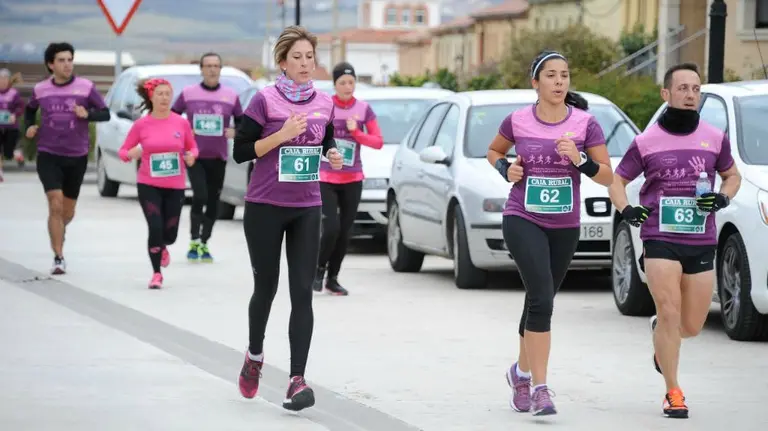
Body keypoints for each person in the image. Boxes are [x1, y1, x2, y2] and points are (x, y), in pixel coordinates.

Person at [609, 63, 741, 419]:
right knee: (668, 311)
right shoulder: (646, 141)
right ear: (666, 94)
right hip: (659, 237)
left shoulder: (714, 137)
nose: (690, 94)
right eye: (682, 88)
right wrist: (627, 210)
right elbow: (616, 182)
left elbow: (732, 176)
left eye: (695, 89)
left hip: (700, 238)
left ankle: (661, 335)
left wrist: (723, 197)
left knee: (691, 326)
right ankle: (673, 391)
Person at [486, 51, 613, 416]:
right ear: (536, 83)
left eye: (565, 76)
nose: (559, 82)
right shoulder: (518, 120)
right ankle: (541, 389)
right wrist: (505, 168)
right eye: (552, 76)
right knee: (542, 298)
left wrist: (580, 160)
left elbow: (606, 175)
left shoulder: (586, 124)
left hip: (564, 224)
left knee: (537, 300)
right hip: (522, 216)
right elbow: (493, 151)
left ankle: (520, 374)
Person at [232, 25, 344, 411]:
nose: (304, 63)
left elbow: (325, 137)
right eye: (296, 57)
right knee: (266, 289)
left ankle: (297, 380)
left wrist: (331, 153)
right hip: (264, 207)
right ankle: (255, 356)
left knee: (302, 293)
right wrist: (281, 135)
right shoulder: (265, 100)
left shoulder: (325, 102)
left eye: (309, 57)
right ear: (282, 62)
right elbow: (241, 151)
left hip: (307, 207)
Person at [24, 42, 110, 275]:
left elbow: (106, 114)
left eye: (70, 59)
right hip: (49, 154)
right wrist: (30, 126)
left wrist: (88, 114)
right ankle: (58, 257)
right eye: (61, 60)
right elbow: (29, 109)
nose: (67, 64)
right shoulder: (41, 89)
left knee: (67, 212)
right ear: (51, 64)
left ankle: (59, 229)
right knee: (55, 203)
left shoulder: (86, 87)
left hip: (77, 156)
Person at [119, 78, 199, 289]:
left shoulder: (180, 122)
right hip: (148, 184)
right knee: (155, 227)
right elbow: (123, 152)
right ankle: (156, 273)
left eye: (167, 94)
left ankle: (164, 246)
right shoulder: (141, 125)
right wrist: (131, 153)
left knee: (169, 234)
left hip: (175, 186)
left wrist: (191, 156)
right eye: (160, 94)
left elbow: (193, 147)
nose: (164, 98)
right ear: (151, 97)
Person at [312, 62, 383, 295]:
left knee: (345, 232)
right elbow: (313, 135)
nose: (347, 87)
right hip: (326, 176)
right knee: (330, 227)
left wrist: (356, 133)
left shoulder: (363, 109)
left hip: (352, 177)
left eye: (351, 82)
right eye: (342, 82)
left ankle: (333, 277)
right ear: (335, 84)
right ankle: (318, 269)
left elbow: (377, 141)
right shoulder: (325, 106)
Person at [172, 52, 244, 262]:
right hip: (195, 156)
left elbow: (243, 124)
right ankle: (194, 238)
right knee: (200, 196)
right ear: (201, 69)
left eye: (216, 66)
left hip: (218, 157)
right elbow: (173, 119)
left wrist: (236, 132)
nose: (213, 69)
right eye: (209, 66)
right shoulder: (188, 93)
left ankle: (204, 241)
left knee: (213, 202)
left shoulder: (231, 96)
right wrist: (186, 132)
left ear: (220, 69)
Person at [0, 68, 24, 182]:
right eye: (1, 79)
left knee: (9, 153)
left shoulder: (14, 93)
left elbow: (20, 107)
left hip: (11, 127)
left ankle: (18, 155)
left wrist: (14, 114)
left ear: (9, 81)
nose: (3, 81)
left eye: (5, 79)